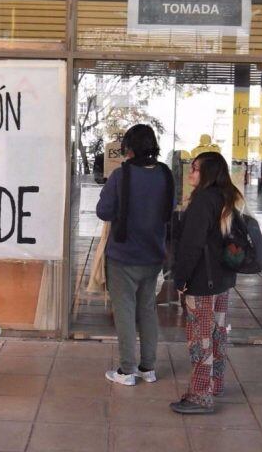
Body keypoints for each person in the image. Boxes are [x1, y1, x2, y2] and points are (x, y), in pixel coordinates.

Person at [96, 124, 174, 386]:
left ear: (128, 148)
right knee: (148, 309)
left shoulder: (121, 175)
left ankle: (127, 370)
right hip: (153, 255)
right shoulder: (165, 174)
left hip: (123, 255)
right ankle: (148, 367)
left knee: (125, 312)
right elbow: (169, 210)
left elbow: (104, 211)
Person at [170, 151, 242, 414]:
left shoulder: (203, 200)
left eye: (196, 168)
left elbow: (192, 244)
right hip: (221, 281)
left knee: (200, 339)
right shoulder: (227, 197)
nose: (190, 173)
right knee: (216, 335)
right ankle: (215, 384)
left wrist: (180, 278)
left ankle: (200, 395)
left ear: (208, 173)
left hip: (202, 282)